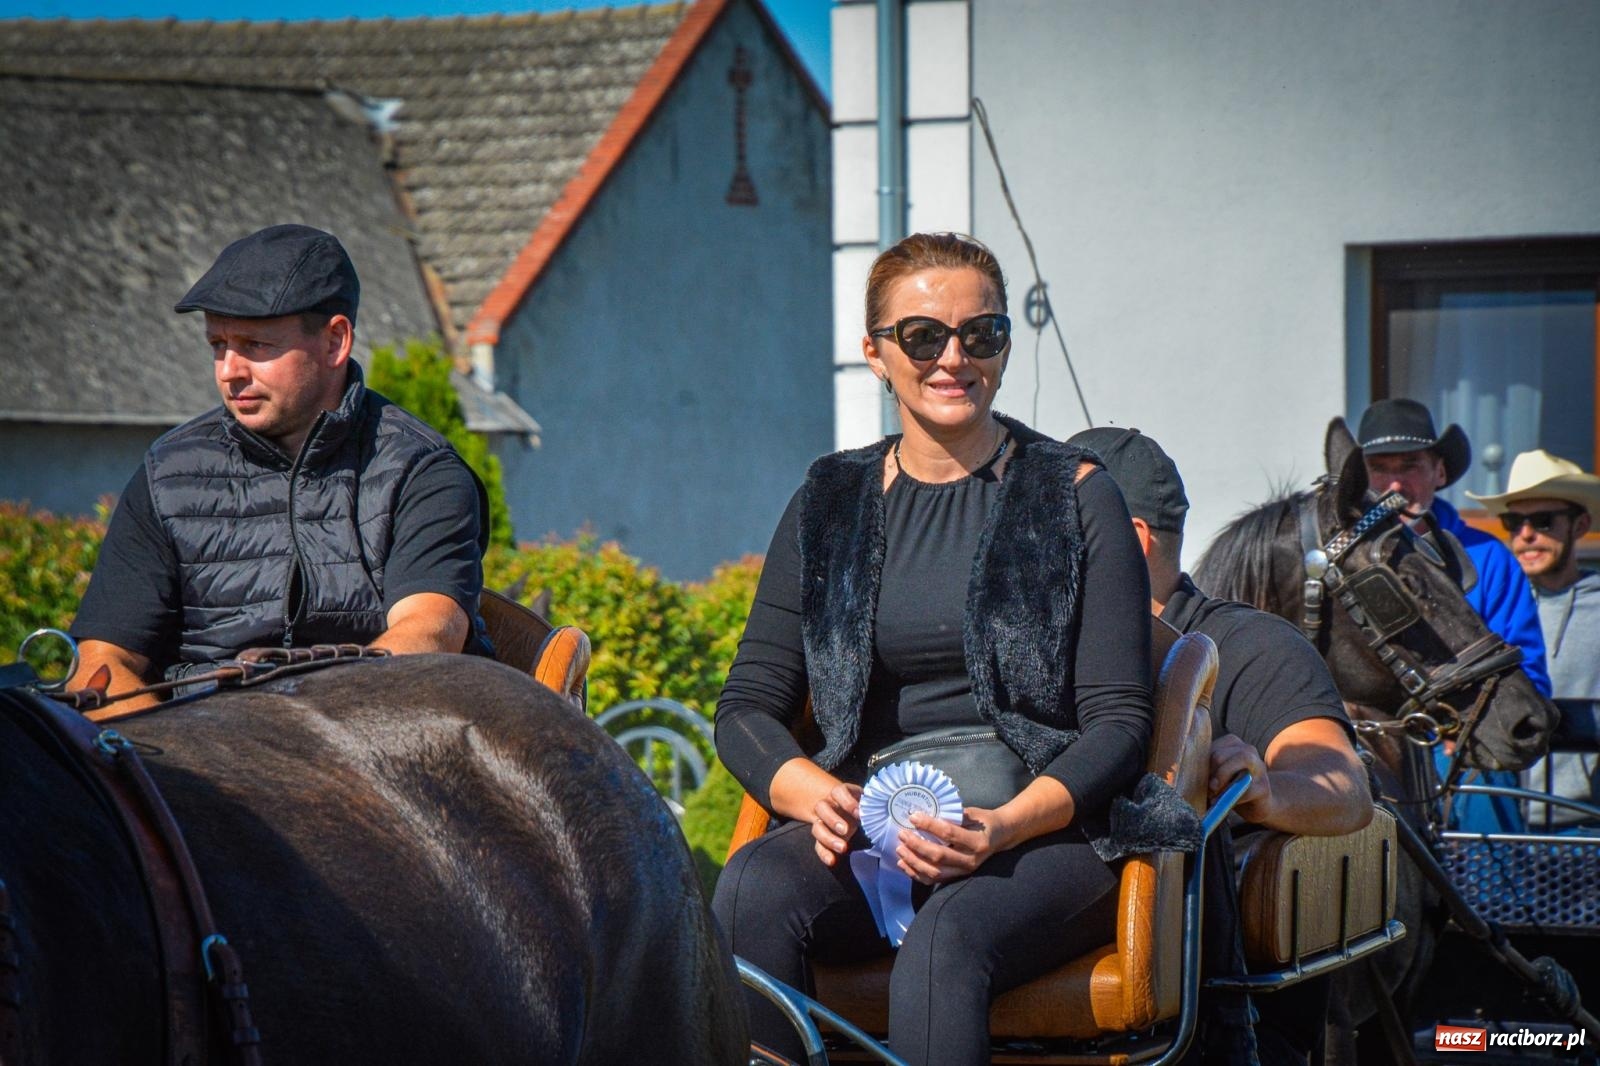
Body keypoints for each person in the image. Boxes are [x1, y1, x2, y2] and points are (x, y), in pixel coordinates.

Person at [712, 233, 1155, 1065]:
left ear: (1003, 347)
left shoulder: (1078, 494)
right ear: (875, 353)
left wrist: (1002, 827)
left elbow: (1121, 724)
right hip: (880, 821)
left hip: (1049, 829)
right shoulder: (826, 500)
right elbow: (746, 707)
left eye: (979, 334)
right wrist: (811, 793)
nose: (953, 358)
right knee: (751, 888)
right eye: (922, 337)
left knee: (948, 936)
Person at [69, 224, 492, 710]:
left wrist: (302, 737)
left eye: (256, 345)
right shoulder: (167, 474)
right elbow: (102, 662)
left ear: (335, 341)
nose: (229, 370)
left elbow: (429, 631)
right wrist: (165, 772)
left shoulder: (422, 471)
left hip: (377, 739)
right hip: (196, 745)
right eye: (218, 345)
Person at [1070, 425, 1370, 1065]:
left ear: (1129, 540)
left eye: (1051, 528)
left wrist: (1263, 789)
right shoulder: (1038, 653)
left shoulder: (1252, 646)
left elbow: (1344, 788)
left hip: (1211, 1007)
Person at [1356, 399, 1552, 831]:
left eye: (1410, 465)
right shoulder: (1345, 565)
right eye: (1378, 467)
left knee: (1490, 767)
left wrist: (1460, 730)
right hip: (1366, 750)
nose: (1394, 484)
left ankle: (1492, 902)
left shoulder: (1490, 558)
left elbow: (1528, 677)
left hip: (1461, 753)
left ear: (1439, 472)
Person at [1469, 449, 1600, 832]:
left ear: (1580, 526)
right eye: (1514, 521)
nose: (1525, 535)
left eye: (1543, 521)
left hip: (1588, 827)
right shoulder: (1493, 607)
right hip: (1497, 826)